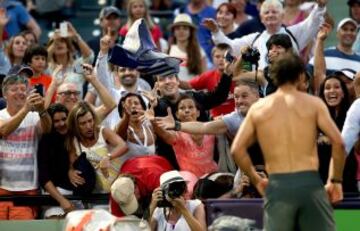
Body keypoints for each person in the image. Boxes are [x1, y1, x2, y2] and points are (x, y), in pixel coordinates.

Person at [231, 53, 346, 230]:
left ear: (274, 76)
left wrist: (256, 179)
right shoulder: (313, 104)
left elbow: (237, 149)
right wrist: (335, 181)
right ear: (300, 75)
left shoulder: (260, 108)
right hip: (310, 183)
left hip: (278, 185)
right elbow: (339, 143)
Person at [204, 0, 327, 69]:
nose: (270, 15)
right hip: (262, 93)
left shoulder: (293, 33)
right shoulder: (254, 39)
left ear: (282, 16)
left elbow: (313, 23)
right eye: (266, 12)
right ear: (261, 18)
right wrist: (216, 31)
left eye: (274, 12)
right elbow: (229, 46)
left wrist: (320, 6)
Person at [0, 74, 51, 220]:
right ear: (4, 94)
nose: (20, 92)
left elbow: (47, 129)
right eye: (14, 89)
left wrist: (42, 110)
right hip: (2, 187)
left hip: (28, 189)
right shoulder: (1, 116)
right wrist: (26, 109)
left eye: (23, 89)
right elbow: (3, 131)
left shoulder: (34, 117)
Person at [66, 101, 128, 193]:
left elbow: (123, 146)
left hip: (116, 189)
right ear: (75, 125)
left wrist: (108, 157)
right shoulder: (73, 141)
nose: (88, 126)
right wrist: (70, 172)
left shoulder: (103, 132)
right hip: (95, 193)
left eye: (90, 121)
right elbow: (71, 164)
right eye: (83, 123)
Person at [180, 43, 235, 117]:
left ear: (232, 58)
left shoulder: (240, 75)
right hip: (215, 120)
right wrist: (173, 78)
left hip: (236, 119)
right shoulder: (208, 76)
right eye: (217, 56)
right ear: (212, 58)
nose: (221, 59)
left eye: (224, 56)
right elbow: (187, 85)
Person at [168, 13, 207, 81]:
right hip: (174, 90)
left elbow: (204, 77)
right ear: (173, 31)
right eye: (178, 28)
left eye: (185, 28)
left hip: (194, 91)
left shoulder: (200, 51)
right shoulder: (167, 51)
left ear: (190, 32)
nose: (181, 31)